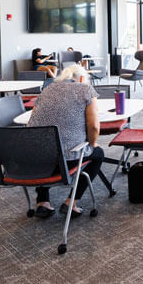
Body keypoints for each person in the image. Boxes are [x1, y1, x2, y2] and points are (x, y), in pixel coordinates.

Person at [27, 65, 103, 219]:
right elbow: (94, 126)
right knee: (98, 153)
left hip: (35, 160)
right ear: (82, 79)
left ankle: (42, 202)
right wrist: (92, 144)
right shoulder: (86, 90)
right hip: (66, 162)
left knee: (44, 145)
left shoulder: (47, 89)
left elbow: (34, 119)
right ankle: (71, 202)